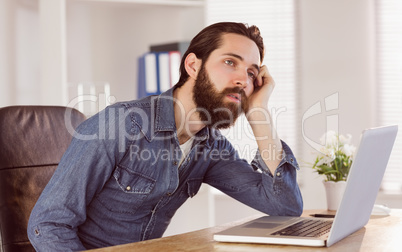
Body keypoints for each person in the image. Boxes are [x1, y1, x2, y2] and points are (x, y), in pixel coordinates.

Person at [28, 22, 303, 250]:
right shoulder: (120, 125)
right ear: (193, 66)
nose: (244, 80)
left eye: (252, 73)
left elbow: (284, 206)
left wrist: (259, 113)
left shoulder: (211, 148)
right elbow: (48, 224)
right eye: (230, 62)